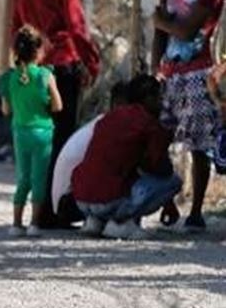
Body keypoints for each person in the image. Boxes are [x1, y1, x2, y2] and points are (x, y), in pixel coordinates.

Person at [12, 0, 100, 228]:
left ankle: (37, 210)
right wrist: (92, 63)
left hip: (32, 68)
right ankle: (52, 209)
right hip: (61, 69)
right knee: (60, 140)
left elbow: (16, 27)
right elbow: (77, 29)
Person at [152, 0, 224, 232]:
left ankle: (195, 212)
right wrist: (155, 68)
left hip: (198, 71)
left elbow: (187, 30)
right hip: (170, 72)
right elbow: (161, 31)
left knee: (198, 143)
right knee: (160, 138)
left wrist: (161, 22)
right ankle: (166, 201)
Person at [72, 76, 182, 240]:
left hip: (82, 198)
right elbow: (161, 168)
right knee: (174, 181)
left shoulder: (107, 118)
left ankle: (96, 221)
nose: (161, 103)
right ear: (148, 98)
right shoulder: (147, 122)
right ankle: (121, 223)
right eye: (158, 98)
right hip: (109, 200)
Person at [0, 26, 64, 237]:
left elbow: (6, 110)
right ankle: (34, 224)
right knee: (39, 179)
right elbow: (58, 106)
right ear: (38, 51)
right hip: (43, 133)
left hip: (20, 133)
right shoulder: (45, 75)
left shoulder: (9, 78)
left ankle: (16, 224)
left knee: (23, 178)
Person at [51, 81, 130, 226]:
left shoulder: (100, 122)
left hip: (68, 201)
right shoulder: (109, 126)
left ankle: (95, 220)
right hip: (72, 203)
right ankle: (118, 222)